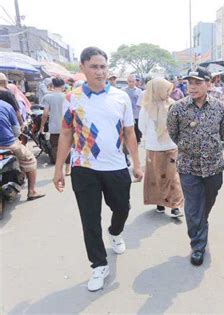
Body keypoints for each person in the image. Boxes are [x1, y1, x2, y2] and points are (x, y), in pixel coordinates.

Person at [53, 47, 143, 292]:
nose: (100, 71)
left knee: (122, 208)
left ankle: (115, 232)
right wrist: (59, 168)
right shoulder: (71, 98)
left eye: (103, 66)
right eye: (94, 66)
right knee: (90, 218)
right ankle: (98, 265)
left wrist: (136, 163)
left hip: (116, 166)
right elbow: (66, 133)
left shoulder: (120, 97)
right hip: (84, 167)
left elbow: (129, 132)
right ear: (82, 68)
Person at [167, 66, 224, 266]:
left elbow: (222, 131)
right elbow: (173, 134)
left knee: (206, 205)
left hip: (214, 166)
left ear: (208, 84)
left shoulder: (220, 107)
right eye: (189, 83)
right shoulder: (177, 108)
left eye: (197, 83)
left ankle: (201, 225)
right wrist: (188, 147)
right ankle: (198, 245)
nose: (192, 87)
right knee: (193, 208)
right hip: (188, 167)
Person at [139, 78, 184, 217]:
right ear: (156, 90)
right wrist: (152, 138)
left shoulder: (172, 105)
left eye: (168, 89)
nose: (167, 92)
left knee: (173, 177)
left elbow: (179, 125)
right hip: (154, 148)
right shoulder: (146, 107)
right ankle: (160, 203)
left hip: (171, 146)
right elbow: (142, 126)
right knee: (156, 177)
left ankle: (175, 206)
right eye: (165, 89)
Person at [0, 99, 44, 200]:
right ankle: (32, 191)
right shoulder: (6, 106)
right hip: (7, 144)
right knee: (30, 159)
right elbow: (16, 131)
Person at [39, 78, 71, 174]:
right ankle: (68, 169)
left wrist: (41, 127)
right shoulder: (67, 96)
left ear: (52, 86)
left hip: (54, 127)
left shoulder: (48, 97)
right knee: (67, 147)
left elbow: (45, 114)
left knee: (55, 147)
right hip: (67, 127)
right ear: (63, 86)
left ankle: (59, 169)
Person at [123, 74, 143, 143]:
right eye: (129, 81)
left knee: (137, 132)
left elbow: (141, 104)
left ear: (135, 82)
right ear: (127, 82)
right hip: (126, 114)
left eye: (132, 81)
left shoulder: (139, 91)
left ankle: (136, 145)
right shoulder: (123, 91)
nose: (131, 83)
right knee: (127, 131)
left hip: (136, 115)